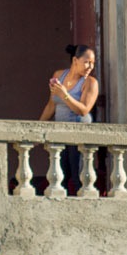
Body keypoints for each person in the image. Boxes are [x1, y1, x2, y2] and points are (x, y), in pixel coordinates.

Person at [40, 43, 99, 193]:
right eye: (86, 62)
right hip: (59, 134)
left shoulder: (90, 83)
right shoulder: (59, 75)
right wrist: (38, 127)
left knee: (78, 178)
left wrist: (65, 95)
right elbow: (51, 105)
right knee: (59, 177)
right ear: (75, 61)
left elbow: (84, 110)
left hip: (78, 135)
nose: (90, 66)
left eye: (92, 63)